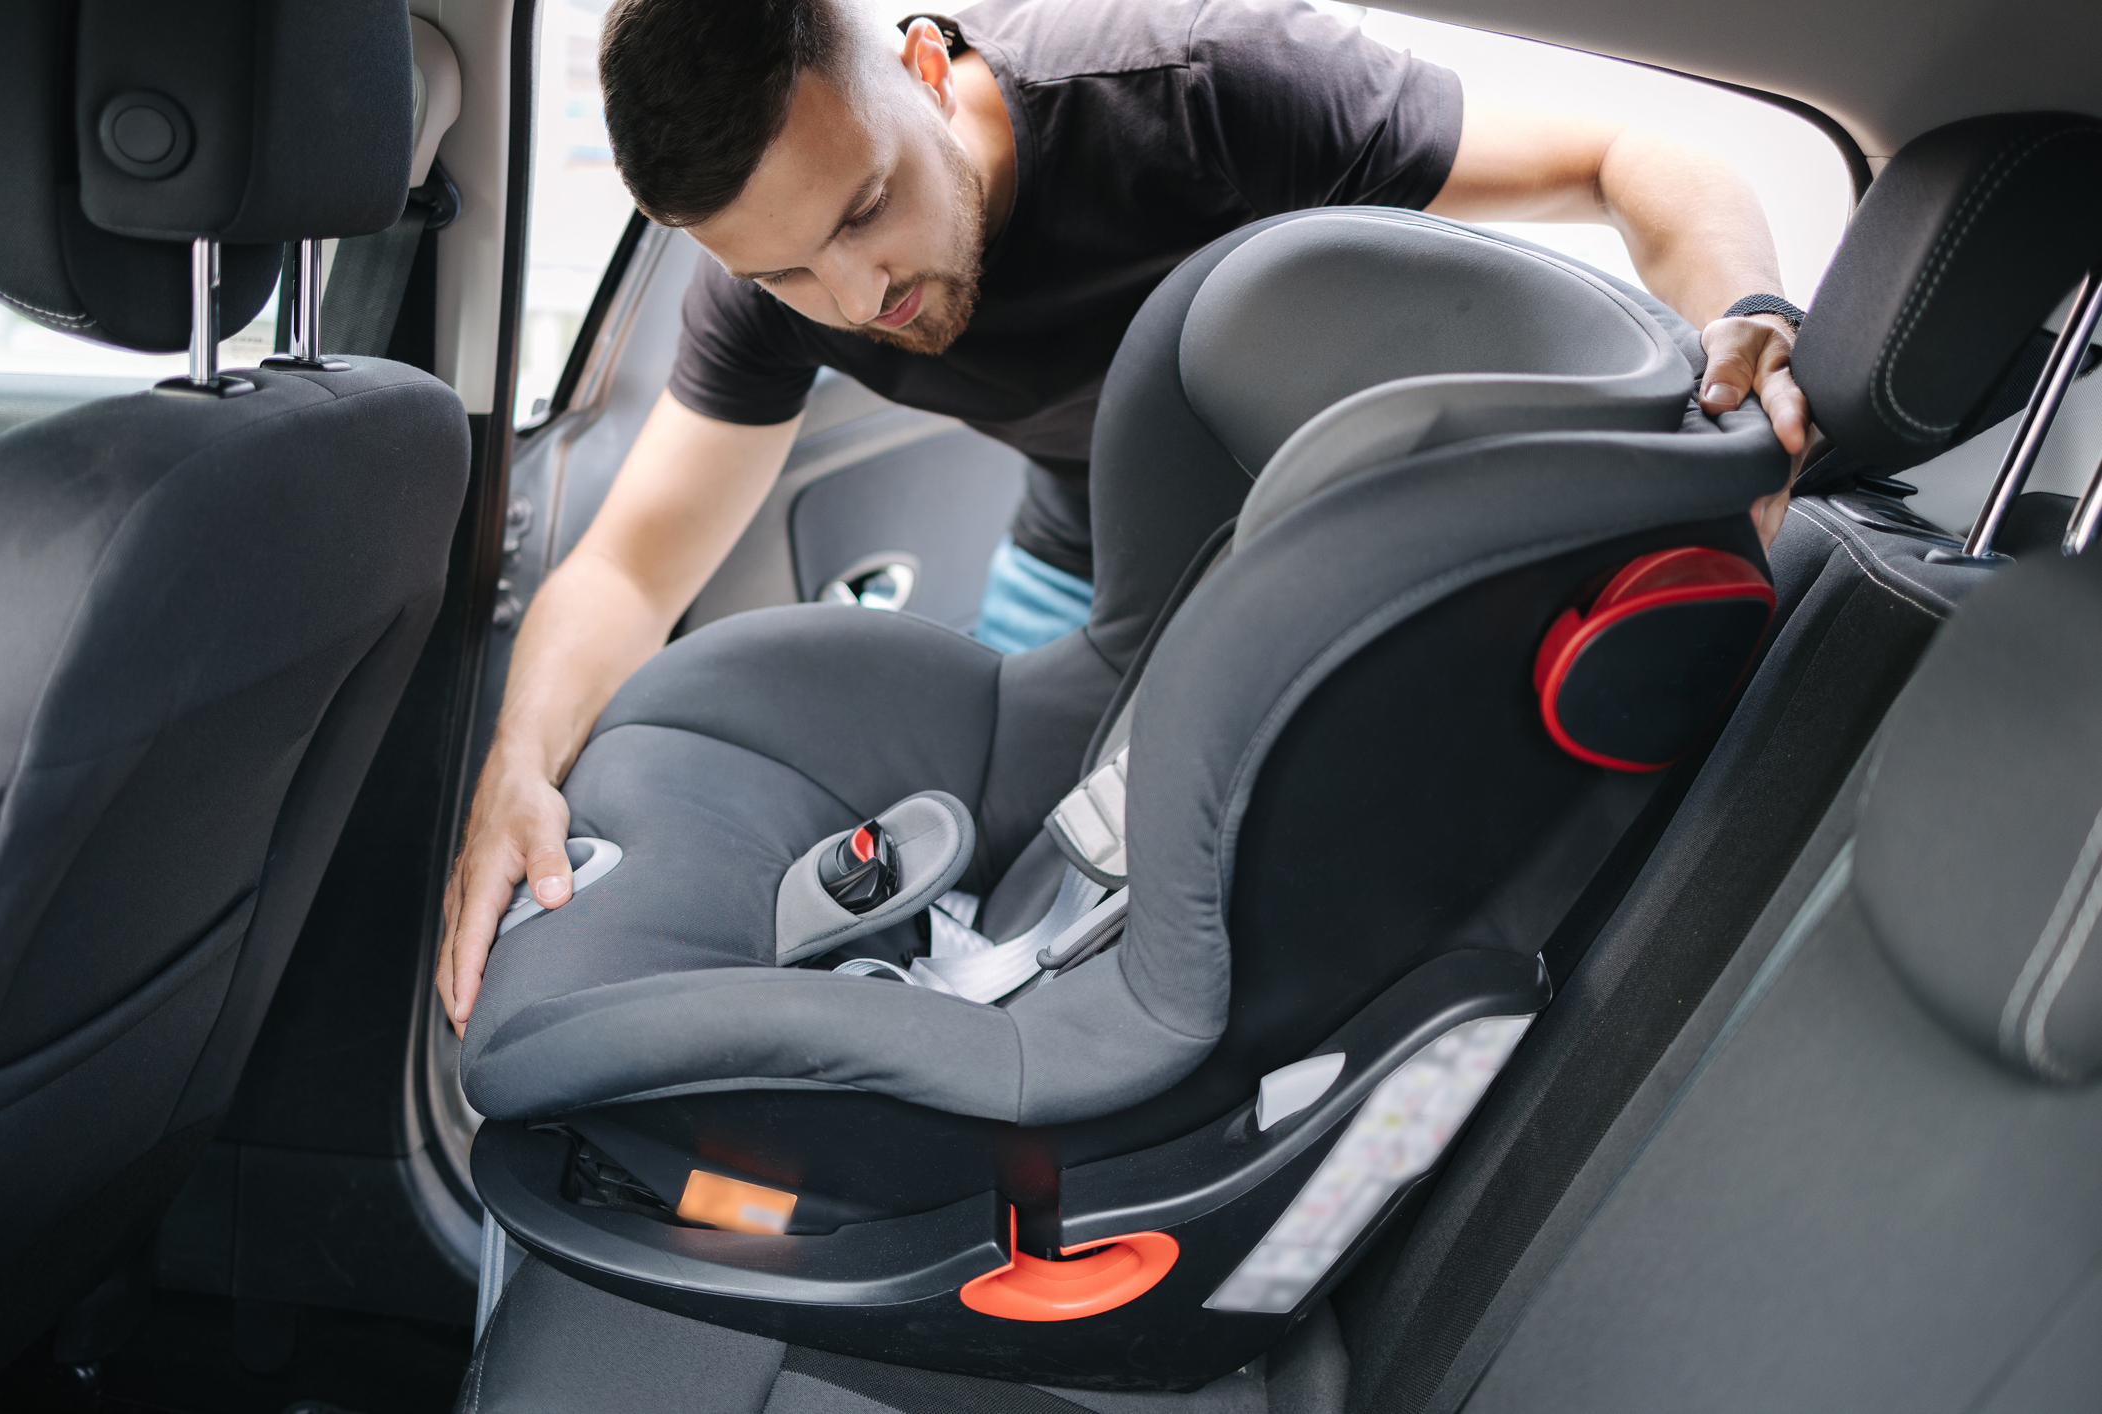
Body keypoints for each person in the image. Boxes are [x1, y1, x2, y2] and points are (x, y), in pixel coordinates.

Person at [437, 0, 1813, 1032]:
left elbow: (1634, 153)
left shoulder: (1199, 83)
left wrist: (1741, 321)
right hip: (1092, 546)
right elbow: (628, 563)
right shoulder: (768, 291)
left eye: (869, 209)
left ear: (923, 64)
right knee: (1019, 880)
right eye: (788, 268)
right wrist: (518, 769)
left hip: (1341, 523)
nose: (859, 297)